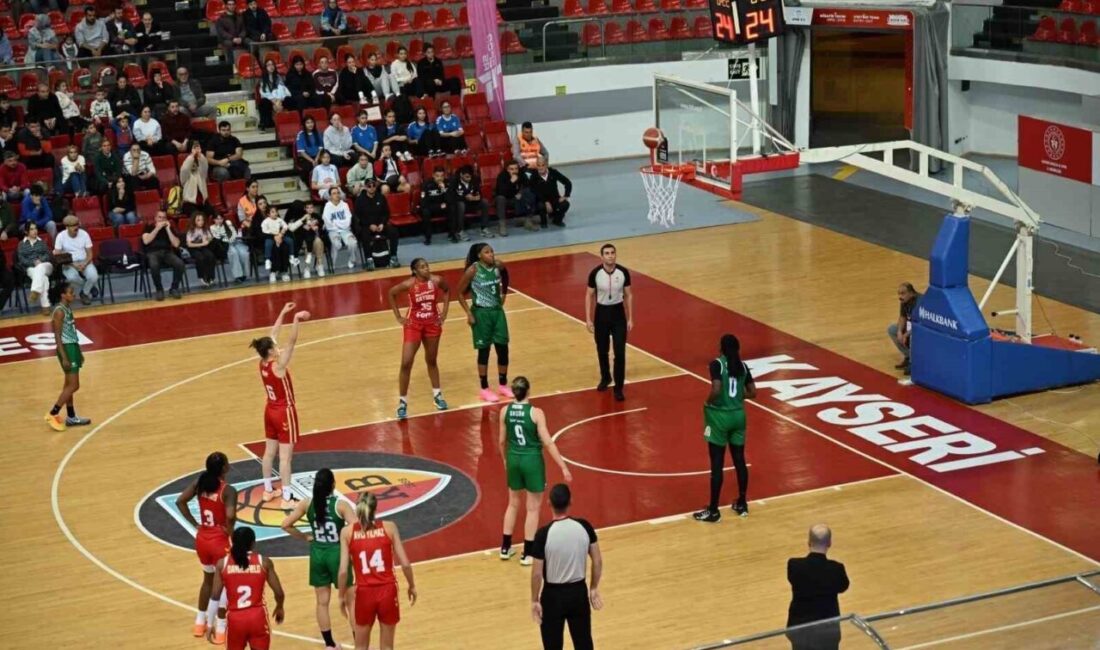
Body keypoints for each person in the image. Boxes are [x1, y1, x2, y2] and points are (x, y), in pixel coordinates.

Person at [499, 377, 573, 566]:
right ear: (528, 391)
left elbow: (501, 441)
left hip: (514, 458)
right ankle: (527, 553)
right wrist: (563, 466)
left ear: (514, 392)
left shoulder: (504, 411)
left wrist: (505, 459)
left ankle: (505, 548)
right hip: (531, 460)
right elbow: (548, 442)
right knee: (532, 508)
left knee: (513, 503)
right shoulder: (536, 413)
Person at [280, 468, 356, 650]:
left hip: (317, 554)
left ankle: (329, 644)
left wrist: (305, 537)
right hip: (338, 554)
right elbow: (356, 529)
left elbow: (285, 524)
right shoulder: (341, 505)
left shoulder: (307, 503)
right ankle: (360, 643)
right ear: (333, 485)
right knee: (352, 602)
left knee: (322, 602)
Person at [337, 491, 417, 650]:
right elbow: (406, 564)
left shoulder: (347, 533)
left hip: (364, 593)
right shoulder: (389, 527)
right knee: (387, 647)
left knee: (361, 647)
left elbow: (343, 572)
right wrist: (412, 585)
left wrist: (341, 596)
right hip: (388, 591)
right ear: (375, 509)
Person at [173, 451, 236, 645]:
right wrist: (230, 531)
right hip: (219, 540)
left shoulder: (200, 483)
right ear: (224, 468)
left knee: (208, 581)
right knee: (224, 585)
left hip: (202, 538)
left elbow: (180, 501)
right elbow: (231, 515)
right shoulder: (228, 490)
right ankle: (220, 628)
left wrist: (195, 523)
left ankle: (199, 623)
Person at [529, 484, 602, 650]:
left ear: (549, 503)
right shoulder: (584, 527)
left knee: (552, 645)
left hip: (553, 596)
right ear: (571, 502)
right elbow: (597, 561)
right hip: (578, 593)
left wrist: (534, 600)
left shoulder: (543, 534)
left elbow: (536, 574)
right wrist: (593, 588)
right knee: (584, 643)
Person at [252, 302, 310, 507]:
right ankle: (287, 498)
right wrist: (295, 320)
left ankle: (268, 490)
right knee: (285, 458)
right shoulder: (279, 365)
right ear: (271, 351)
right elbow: (292, 342)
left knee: (269, 452)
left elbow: (272, 335)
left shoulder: (262, 362)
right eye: (275, 347)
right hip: (284, 412)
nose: (279, 347)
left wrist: (282, 312)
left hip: (269, 411)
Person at [693, 334, 755, 523]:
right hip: (738, 416)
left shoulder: (717, 364)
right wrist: (736, 398)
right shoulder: (742, 366)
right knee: (739, 460)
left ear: (721, 347)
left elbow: (717, 389)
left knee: (717, 464)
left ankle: (713, 510)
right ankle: (742, 502)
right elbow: (753, 392)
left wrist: (708, 402)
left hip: (720, 417)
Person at [388, 259, 450, 419]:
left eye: (427, 266)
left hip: (432, 323)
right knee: (406, 362)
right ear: (415, 271)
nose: (426, 269)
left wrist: (444, 313)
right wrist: (398, 317)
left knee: (431, 360)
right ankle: (402, 402)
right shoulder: (409, 284)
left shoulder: (437, 280)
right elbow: (391, 293)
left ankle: (437, 396)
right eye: (422, 267)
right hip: (413, 324)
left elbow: (447, 290)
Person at [208, 527, 287, 650]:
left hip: (235, 620)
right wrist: (280, 606)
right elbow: (279, 592)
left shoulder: (222, 564)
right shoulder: (264, 562)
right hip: (258, 618)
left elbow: (215, 597)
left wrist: (209, 624)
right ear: (253, 543)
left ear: (232, 542)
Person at [457, 243, 513, 403]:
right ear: (479, 255)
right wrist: (468, 313)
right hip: (481, 313)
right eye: (487, 252)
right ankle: (484, 388)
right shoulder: (473, 270)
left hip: (497, 312)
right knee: (484, 351)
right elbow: (459, 293)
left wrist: (504, 294)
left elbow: (506, 275)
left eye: (492, 251)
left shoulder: (498, 265)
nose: (491, 254)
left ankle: (503, 384)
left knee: (503, 349)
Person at [786, 524, 849, 650]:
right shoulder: (836, 569)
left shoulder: (794, 565)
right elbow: (843, 587)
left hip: (799, 628)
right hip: (828, 631)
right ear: (829, 543)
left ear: (809, 542)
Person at [585, 243, 633, 401]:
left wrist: (630, 317)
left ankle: (619, 387)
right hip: (602, 314)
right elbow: (589, 295)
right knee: (602, 349)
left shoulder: (623, 272)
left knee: (620, 353)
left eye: (612, 252)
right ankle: (605, 377)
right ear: (602, 256)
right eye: (607, 253)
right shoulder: (595, 273)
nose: (610, 255)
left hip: (618, 314)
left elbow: (628, 295)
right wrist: (588, 318)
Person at [45, 282, 94, 431]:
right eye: (70, 292)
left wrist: (78, 350)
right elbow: (58, 336)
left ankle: (71, 417)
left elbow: (71, 332)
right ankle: (52, 413)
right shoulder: (59, 311)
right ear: (63, 295)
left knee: (68, 386)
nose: (73, 294)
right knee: (74, 385)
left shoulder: (67, 308)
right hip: (66, 348)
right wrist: (64, 357)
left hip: (72, 347)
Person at [53, 215, 98, 304]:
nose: (76, 227)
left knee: (94, 276)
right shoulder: (60, 236)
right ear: (67, 227)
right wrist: (73, 264)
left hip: (84, 261)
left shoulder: (84, 234)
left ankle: (84, 293)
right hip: (69, 263)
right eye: (73, 226)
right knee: (71, 277)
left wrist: (85, 263)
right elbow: (57, 255)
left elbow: (90, 254)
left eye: (77, 225)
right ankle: (88, 286)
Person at [141, 210, 185, 300]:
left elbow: (176, 244)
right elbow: (146, 241)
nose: (161, 220)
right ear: (155, 218)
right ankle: (159, 289)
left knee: (179, 263)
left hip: (167, 252)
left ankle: (174, 288)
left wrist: (168, 229)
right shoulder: (148, 227)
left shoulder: (169, 228)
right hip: (152, 252)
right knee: (154, 265)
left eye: (164, 218)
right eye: (159, 217)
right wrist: (156, 229)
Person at [354, 179, 398, 270]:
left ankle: (393, 256)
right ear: (365, 187)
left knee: (393, 232)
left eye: (373, 185)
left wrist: (382, 223)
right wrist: (369, 225)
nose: (372, 188)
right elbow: (358, 216)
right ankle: (369, 259)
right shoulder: (360, 200)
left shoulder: (381, 197)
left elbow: (386, 213)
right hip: (367, 225)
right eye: (369, 186)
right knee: (364, 235)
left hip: (380, 224)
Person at [18, 222, 54, 314]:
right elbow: (22, 259)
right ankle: (45, 306)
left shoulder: (41, 242)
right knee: (44, 278)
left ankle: (35, 291)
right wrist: (34, 263)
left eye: (35, 228)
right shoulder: (21, 244)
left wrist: (40, 261)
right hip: (31, 268)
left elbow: (48, 254)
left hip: (46, 266)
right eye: (32, 229)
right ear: (26, 231)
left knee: (41, 267)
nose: (35, 231)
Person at [286, 201, 326, 280]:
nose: (309, 209)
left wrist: (317, 227)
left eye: (311, 207)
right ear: (304, 209)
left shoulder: (316, 216)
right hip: (304, 240)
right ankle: (307, 267)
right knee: (308, 243)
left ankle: (319, 265)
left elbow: (322, 225)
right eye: (307, 208)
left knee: (318, 241)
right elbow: (294, 229)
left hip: (315, 237)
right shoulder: (301, 217)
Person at [322, 186, 360, 270]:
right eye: (334, 193)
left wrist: (336, 223)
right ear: (330, 196)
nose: (336, 195)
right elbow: (328, 222)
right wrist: (339, 224)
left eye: (338, 193)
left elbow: (348, 221)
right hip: (333, 231)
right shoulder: (327, 206)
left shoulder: (345, 205)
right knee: (336, 244)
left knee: (353, 243)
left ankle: (352, 260)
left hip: (345, 230)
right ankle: (333, 263)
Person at [529, 156, 572, 228]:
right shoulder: (534, 175)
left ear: (546, 165)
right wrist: (546, 201)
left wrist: (566, 195)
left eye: (543, 165)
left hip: (554, 198)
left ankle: (557, 220)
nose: (541, 167)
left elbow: (567, 182)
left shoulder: (553, 172)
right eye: (538, 165)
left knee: (565, 204)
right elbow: (533, 190)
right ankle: (543, 222)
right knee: (541, 206)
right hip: (541, 200)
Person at [495, 159, 535, 235]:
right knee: (500, 198)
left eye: (516, 168)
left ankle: (528, 220)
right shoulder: (502, 176)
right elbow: (501, 192)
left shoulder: (521, 174)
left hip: (518, 198)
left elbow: (528, 185)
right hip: (507, 199)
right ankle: (502, 225)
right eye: (511, 169)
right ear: (507, 170)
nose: (514, 171)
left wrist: (520, 192)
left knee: (529, 192)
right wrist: (511, 182)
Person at [889, 282, 921, 376]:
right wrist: (899, 332)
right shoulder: (904, 301)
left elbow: (919, 325)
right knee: (892, 329)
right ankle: (908, 356)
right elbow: (902, 317)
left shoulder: (919, 302)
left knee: (912, 337)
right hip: (910, 326)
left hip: (921, 330)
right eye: (899, 293)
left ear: (911, 293)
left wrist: (906, 334)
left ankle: (913, 362)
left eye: (903, 293)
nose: (900, 296)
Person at [452, 165, 492, 239]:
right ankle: (460, 231)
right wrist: (465, 198)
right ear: (461, 175)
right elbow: (452, 196)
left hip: (473, 204)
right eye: (467, 177)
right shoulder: (454, 181)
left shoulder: (475, 179)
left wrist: (477, 198)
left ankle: (484, 228)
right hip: (460, 205)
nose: (469, 179)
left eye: (470, 177)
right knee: (461, 205)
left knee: (484, 202)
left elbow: (479, 194)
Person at [210, 213, 250, 284]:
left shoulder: (228, 224)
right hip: (225, 245)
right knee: (233, 253)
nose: (219, 220)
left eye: (221, 219)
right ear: (214, 220)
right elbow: (218, 238)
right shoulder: (212, 228)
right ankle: (238, 276)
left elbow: (234, 234)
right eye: (217, 219)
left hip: (235, 241)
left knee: (244, 253)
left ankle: (245, 274)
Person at [261, 205, 294, 283]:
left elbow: (285, 226)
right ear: (268, 214)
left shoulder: (279, 220)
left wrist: (281, 233)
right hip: (270, 237)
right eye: (272, 212)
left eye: (276, 211)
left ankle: (291, 258)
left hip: (280, 236)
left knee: (289, 241)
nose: (275, 213)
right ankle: (268, 261)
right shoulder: (266, 221)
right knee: (268, 245)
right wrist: (273, 236)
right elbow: (264, 231)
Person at [418, 167, 449, 245]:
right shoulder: (426, 184)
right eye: (437, 176)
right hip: (430, 208)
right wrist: (438, 206)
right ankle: (428, 237)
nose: (440, 178)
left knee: (452, 208)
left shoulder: (447, 183)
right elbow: (423, 202)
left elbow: (450, 200)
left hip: (442, 207)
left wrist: (443, 189)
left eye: (442, 176)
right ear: (433, 175)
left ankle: (453, 234)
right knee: (425, 212)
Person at [187, 212, 218, 287]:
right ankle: (202, 276)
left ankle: (211, 276)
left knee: (210, 256)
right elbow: (189, 244)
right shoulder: (191, 231)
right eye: (198, 220)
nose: (201, 222)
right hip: (194, 249)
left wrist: (208, 239)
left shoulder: (205, 229)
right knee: (200, 257)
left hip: (203, 248)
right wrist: (202, 244)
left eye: (202, 220)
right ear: (194, 221)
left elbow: (210, 238)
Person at [258, 59, 290, 131]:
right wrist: (273, 100)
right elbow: (264, 92)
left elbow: (282, 89)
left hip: (280, 99)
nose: (271, 67)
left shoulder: (278, 77)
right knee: (264, 102)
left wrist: (279, 100)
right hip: (270, 99)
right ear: (265, 67)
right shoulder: (263, 78)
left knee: (289, 100)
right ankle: (267, 124)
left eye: (272, 64)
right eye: (268, 65)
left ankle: (291, 121)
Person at [295, 115, 324, 184]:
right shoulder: (300, 135)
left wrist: (316, 159)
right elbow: (301, 152)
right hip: (306, 157)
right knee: (308, 167)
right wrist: (312, 161)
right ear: (304, 124)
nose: (310, 124)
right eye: (307, 123)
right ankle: (303, 182)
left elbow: (320, 148)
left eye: (311, 122)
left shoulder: (318, 133)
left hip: (317, 156)